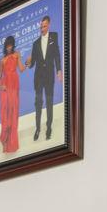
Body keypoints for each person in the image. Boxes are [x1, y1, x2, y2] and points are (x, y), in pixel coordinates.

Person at [29, 12, 61, 142]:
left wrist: (59, 70)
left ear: (49, 25)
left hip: (49, 76)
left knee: (49, 102)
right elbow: (33, 64)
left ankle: (49, 128)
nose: (42, 29)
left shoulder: (54, 36)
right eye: (41, 27)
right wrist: (28, 62)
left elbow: (57, 55)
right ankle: (38, 128)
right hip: (38, 77)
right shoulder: (35, 43)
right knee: (38, 103)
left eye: (44, 26)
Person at [0, 36, 21, 154]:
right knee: (5, 114)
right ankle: (5, 141)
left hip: (14, 85)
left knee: (13, 112)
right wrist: (1, 85)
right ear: (5, 46)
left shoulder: (17, 55)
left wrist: (28, 63)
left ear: (13, 45)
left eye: (11, 45)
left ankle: (11, 143)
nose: (9, 47)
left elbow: (21, 69)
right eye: (7, 45)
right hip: (5, 87)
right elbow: (0, 76)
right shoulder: (2, 61)